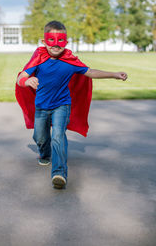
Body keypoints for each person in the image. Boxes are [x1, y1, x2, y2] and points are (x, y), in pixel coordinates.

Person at [16, 20, 127, 189]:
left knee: (58, 136)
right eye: (51, 40)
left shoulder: (70, 60)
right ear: (44, 41)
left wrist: (114, 74)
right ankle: (44, 154)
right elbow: (20, 78)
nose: (56, 45)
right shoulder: (38, 57)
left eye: (60, 40)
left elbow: (90, 72)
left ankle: (59, 172)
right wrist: (27, 80)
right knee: (40, 137)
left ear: (66, 42)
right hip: (41, 106)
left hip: (62, 105)